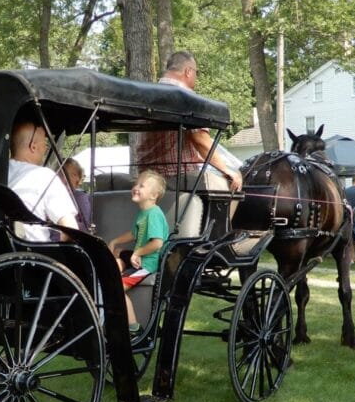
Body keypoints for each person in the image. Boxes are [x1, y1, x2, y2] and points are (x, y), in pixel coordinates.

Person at [138, 51, 243, 192]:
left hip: (145, 175)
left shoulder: (147, 95)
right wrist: (227, 170)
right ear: (188, 71)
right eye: (196, 72)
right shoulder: (186, 98)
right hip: (176, 176)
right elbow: (200, 140)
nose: (196, 77)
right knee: (232, 185)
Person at [108, 171, 170, 325]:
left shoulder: (154, 214)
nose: (135, 187)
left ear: (153, 195)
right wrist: (115, 241)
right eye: (136, 184)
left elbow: (157, 243)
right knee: (113, 261)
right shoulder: (143, 213)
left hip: (147, 264)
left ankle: (134, 326)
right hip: (138, 259)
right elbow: (134, 233)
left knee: (115, 289)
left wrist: (137, 252)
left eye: (141, 186)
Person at [7, 119, 79, 241]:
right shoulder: (44, 176)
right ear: (33, 146)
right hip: (34, 255)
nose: (46, 148)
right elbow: (70, 229)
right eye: (45, 142)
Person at [61, 157, 93, 232]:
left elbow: (85, 226)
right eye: (61, 173)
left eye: (73, 174)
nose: (64, 178)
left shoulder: (80, 197)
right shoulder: (50, 195)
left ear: (77, 179)